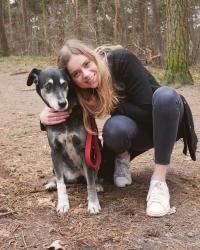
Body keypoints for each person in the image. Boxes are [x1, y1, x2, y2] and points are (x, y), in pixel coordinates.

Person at [40, 39, 197, 217]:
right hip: (137, 132)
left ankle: (159, 182)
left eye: (86, 64)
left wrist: (110, 105)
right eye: (76, 74)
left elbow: (148, 110)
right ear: (71, 81)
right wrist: (43, 117)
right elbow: (61, 99)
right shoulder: (83, 89)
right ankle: (122, 158)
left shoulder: (121, 60)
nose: (85, 74)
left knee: (165, 95)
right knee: (112, 133)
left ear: (93, 57)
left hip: (166, 123)